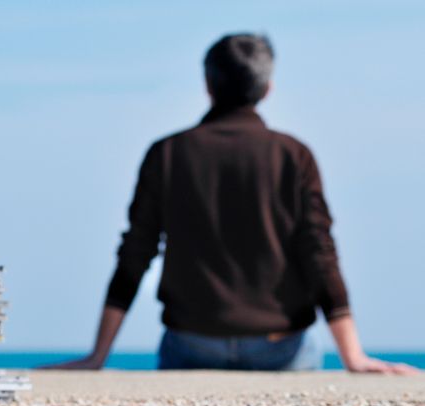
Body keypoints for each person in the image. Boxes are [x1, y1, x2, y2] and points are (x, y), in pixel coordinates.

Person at [45, 33, 416, 373]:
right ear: (267, 89)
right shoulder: (293, 155)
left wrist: (99, 356)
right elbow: (318, 252)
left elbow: (136, 251)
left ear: (208, 85)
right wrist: (353, 356)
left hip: (193, 344)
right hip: (278, 345)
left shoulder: (168, 153)